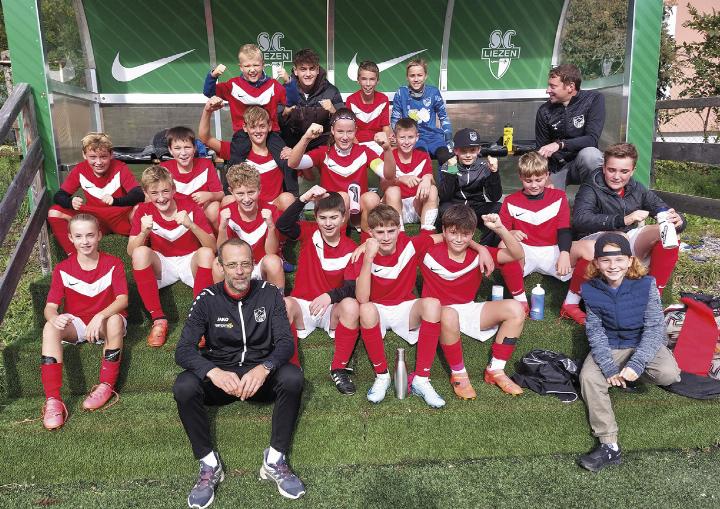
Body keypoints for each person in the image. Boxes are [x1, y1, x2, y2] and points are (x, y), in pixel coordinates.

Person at [174, 238, 305, 507]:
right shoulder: (207, 299)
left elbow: (284, 343)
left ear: (253, 265)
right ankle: (209, 465)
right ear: (221, 266)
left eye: (245, 264)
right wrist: (213, 372)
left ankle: (275, 460)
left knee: (292, 377)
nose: (240, 271)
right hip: (222, 380)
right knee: (184, 385)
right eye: (232, 265)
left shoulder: (269, 293)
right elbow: (183, 350)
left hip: (259, 379)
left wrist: (264, 367)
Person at [351, 205, 492, 407]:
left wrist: (481, 248)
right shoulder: (365, 255)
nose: (386, 237)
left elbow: (446, 236)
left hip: (405, 308)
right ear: (370, 233)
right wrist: (368, 258)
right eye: (379, 232)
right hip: (377, 309)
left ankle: (421, 379)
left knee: (433, 304)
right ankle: (382, 376)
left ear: (399, 228)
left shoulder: (410, 244)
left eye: (391, 231)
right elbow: (363, 298)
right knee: (364, 308)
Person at [577, 233, 680, 472]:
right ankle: (609, 445)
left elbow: (655, 328)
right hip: (611, 345)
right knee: (589, 378)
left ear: (630, 260)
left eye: (619, 259)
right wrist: (609, 367)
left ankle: (628, 378)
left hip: (641, 342)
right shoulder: (590, 290)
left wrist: (636, 365)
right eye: (605, 260)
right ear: (596, 263)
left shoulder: (647, 285)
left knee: (668, 373)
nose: (613, 266)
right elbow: (595, 332)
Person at [569, 143, 685, 323]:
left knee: (669, 231)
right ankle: (576, 303)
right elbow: (580, 219)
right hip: (593, 239)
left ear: (633, 170)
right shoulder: (591, 187)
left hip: (627, 242)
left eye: (624, 171)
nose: (616, 176)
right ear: (603, 167)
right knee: (619, 238)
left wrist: (678, 220)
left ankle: (653, 296)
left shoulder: (637, 188)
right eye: (611, 170)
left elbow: (662, 208)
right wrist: (623, 220)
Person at [420, 205, 526, 399]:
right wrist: (478, 245)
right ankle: (458, 374)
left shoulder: (478, 255)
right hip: (438, 312)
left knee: (515, 309)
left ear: (472, 234)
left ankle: (496, 370)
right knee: (448, 314)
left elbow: (517, 255)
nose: (459, 239)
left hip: (468, 308)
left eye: (465, 234)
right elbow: (403, 243)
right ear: (443, 231)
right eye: (452, 233)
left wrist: (500, 229)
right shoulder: (428, 251)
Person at [40, 214, 128, 430]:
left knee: (115, 320)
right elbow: (50, 307)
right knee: (50, 327)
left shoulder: (113, 263)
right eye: (79, 236)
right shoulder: (62, 269)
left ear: (99, 235)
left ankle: (106, 385)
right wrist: (54, 317)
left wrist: (101, 315)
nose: (85, 241)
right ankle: (53, 400)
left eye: (90, 235)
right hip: (79, 323)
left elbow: (123, 299)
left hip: (106, 322)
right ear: (70, 237)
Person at [276, 186, 360, 393]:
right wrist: (304, 198)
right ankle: (292, 368)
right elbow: (282, 224)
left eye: (333, 217)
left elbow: (351, 288)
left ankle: (339, 368)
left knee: (351, 305)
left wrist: (329, 296)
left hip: (331, 310)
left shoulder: (350, 248)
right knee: (284, 303)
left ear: (343, 218)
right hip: (303, 306)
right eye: (323, 218)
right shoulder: (309, 233)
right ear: (315, 217)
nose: (328, 223)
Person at [128, 166, 217, 347]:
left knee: (206, 254)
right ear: (146, 193)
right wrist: (144, 232)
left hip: (189, 260)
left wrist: (191, 225)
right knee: (140, 252)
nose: (161, 198)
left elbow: (212, 246)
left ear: (174, 189)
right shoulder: (143, 210)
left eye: (165, 191)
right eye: (154, 193)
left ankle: (199, 322)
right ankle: (158, 319)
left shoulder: (190, 207)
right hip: (163, 264)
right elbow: (131, 251)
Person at [497, 151, 592, 318]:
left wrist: (564, 253)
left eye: (539, 180)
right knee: (503, 246)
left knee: (590, 248)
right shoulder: (510, 201)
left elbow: (564, 229)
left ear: (547, 175)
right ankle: (521, 302)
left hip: (554, 250)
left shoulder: (559, 196)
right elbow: (502, 231)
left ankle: (570, 304)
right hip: (524, 253)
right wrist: (510, 233)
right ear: (520, 177)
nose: (534, 185)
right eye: (528, 181)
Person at [288, 108, 394, 232]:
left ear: (355, 131)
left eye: (349, 132)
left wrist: (387, 149)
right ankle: (339, 241)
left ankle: (367, 241)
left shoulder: (364, 152)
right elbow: (293, 163)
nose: (345, 137)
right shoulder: (323, 152)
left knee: (372, 198)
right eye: (340, 131)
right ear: (332, 130)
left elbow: (389, 175)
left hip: (357, 213)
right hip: (331, 211)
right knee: (342, 197)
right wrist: (306, 138)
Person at [48, 132, 143, 256]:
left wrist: (116, 201)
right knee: (54, 212)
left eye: (103, 156)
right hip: (95, 220)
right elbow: (59, 196)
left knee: (141, 208)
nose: (98, 162)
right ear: (84, 155)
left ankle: (150, 251)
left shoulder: (120, 167)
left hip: (120, 217)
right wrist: (70, 202)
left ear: (111, 155)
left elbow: (138, 194)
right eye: (93, 157)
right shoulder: (80, 169)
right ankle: (74, 257)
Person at [198, 100, 295, 210]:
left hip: (273, 207)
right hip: (246, 207)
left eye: (262, 126)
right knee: (228, 200)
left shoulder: (281, 151)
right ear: (245, 127)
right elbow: (205, 138)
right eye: (253, 127)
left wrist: (294, 153)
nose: (258, 131)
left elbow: (304, 161)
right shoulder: (236, 150)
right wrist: (207, 111)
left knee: (288, 198)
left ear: (269, 126)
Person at [202, 44, 287, 169]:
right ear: (240, 67)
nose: (252, 69)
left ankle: (290, 189)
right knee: (235, 162)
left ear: (263, 65)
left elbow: (291, 101)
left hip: (271, 131)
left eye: (256, 65)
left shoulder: (273, 84)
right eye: (247, 66)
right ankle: (229, 188)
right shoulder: (233, 85)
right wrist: (213, 76)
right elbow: (209, 92)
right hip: (242, 133)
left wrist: (289, 81)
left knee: (285, 159)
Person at [279, 48, 344, 193]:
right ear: (295, 71)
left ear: (317, 69)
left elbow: (344, 121)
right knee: (284, 157)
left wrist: (333, 110)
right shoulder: (284, 90)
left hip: (321, 142)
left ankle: (332, 199)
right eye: (303, 69)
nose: (308, 74)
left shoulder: (331, 91)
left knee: (333, 155)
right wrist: (284, 112)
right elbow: (276, 123)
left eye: (311, 69)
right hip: (294, 143)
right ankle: (293, 202)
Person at [535, 64, 605, 190]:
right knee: (545, 194)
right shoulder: (544, 111)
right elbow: (541, 150)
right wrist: (544, 177)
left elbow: (592, 139)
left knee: (591, 155)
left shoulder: (594, 99)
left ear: (570, 87)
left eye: (553, 86)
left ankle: (593, 203)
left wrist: (560, 144)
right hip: (557, 169)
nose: (547, 90)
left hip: (583, 162)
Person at [216, 163, 285, 291]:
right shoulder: (227, 213)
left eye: (251, 192)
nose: (247, 199)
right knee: (217, 263)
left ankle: (278, 303)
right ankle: (223, 306)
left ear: (259, 189)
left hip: (262, 265)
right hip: (239, 266)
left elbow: (271, 252)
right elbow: (222, 251)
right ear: (231, 192)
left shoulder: (271, 211)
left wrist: (271, 227)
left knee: (273, 261)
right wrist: (222, 228)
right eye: (240, 193)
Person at [438, 128, 501, 245]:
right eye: (463, 151)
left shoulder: (485, 166)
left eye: (472, 150)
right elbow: (444, 197)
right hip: (456, 209)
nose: (468, 155)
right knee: (443, 209)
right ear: (456, 150)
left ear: (478, 150)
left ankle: (486, 244)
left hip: (477, 209)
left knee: (500, 207)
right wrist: (451, 172)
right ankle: (446, 242)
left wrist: (494, 173)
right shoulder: (449, 165)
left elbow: (494, 197)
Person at [160, 126, 224, 231]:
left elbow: (221, 194)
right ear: (170, 150)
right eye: (177, 148)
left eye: (187, 147)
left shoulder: (206, 164)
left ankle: (219, 243)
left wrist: (210, 195)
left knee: (214, 207)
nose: (183, 153)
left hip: (201, 213)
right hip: (176, 214)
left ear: (194, 148)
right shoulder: (164, 169)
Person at [391, 58, 453, 165]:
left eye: (419, 75)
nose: (416, 79)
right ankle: (423, 181)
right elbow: (395, 119)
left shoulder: (433, 92)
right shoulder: (401, 93)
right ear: (407, 77)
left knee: (444, 156)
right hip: (413, 138)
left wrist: (448, 139)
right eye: (412, 76)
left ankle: (445, 182)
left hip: (433, 137)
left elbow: (443, 117)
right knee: (421, 157)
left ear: (425, 76)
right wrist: (398, 136)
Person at [382, 117, 439, 232]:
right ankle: (399, 231)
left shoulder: (422, 156)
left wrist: (427, 178)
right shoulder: (388, 156)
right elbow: (383, 186)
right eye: (402, 137)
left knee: (432, 189)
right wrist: (399, 179)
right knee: (392, 191)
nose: (407, 142)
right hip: (396, 206)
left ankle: (427, 231)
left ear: (417, 137)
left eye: (411, 137)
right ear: (394, 138)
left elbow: (431, 179)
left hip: (417, 205)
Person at [345, 60, 392, 156]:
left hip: (378, 144)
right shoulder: (351, 100)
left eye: (372, 79)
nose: (368, 84)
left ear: (377, 81)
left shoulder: (383, 99)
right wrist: (357, 148)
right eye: (364, 79)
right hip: (357, 144)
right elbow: (349, 129)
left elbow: (386, 128)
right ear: (358, 80)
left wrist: (385, 144)